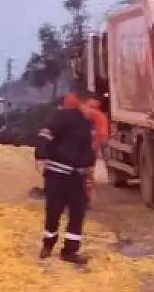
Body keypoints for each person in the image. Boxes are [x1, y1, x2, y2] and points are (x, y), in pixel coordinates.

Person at [35, 92, 95, 264]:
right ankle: (48, 245)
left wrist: (89, 168)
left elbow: (88, 149)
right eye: (91, 107)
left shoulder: (88, 124)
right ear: (82, 104)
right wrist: (40, 156)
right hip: (57, 175)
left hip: (78, 176)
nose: (93, 111)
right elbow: (45, 134)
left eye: (96, 108)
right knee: (54, 211)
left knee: (78, 213)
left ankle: (70, 251)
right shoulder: (63, 117)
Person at [82, 98, 110, 207]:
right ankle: (86, 198)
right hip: (90, 152)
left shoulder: (80, 114)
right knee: (88, 175)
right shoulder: (101, 117)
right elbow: (104, 138)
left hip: (76, 151)